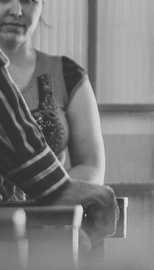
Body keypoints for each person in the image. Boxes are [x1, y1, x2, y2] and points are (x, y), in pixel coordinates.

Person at [0, 0, 105, 202]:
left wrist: (47, 195)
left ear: (42, 4)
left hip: (49, 225)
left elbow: (91, 166)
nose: (16, 10)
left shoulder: (67, 75)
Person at [0, 49, 117, 241]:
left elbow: (90, 165)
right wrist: (57, 189)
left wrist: (56, 194)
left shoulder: (67, 73)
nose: (17, 16)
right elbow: (11, 131)